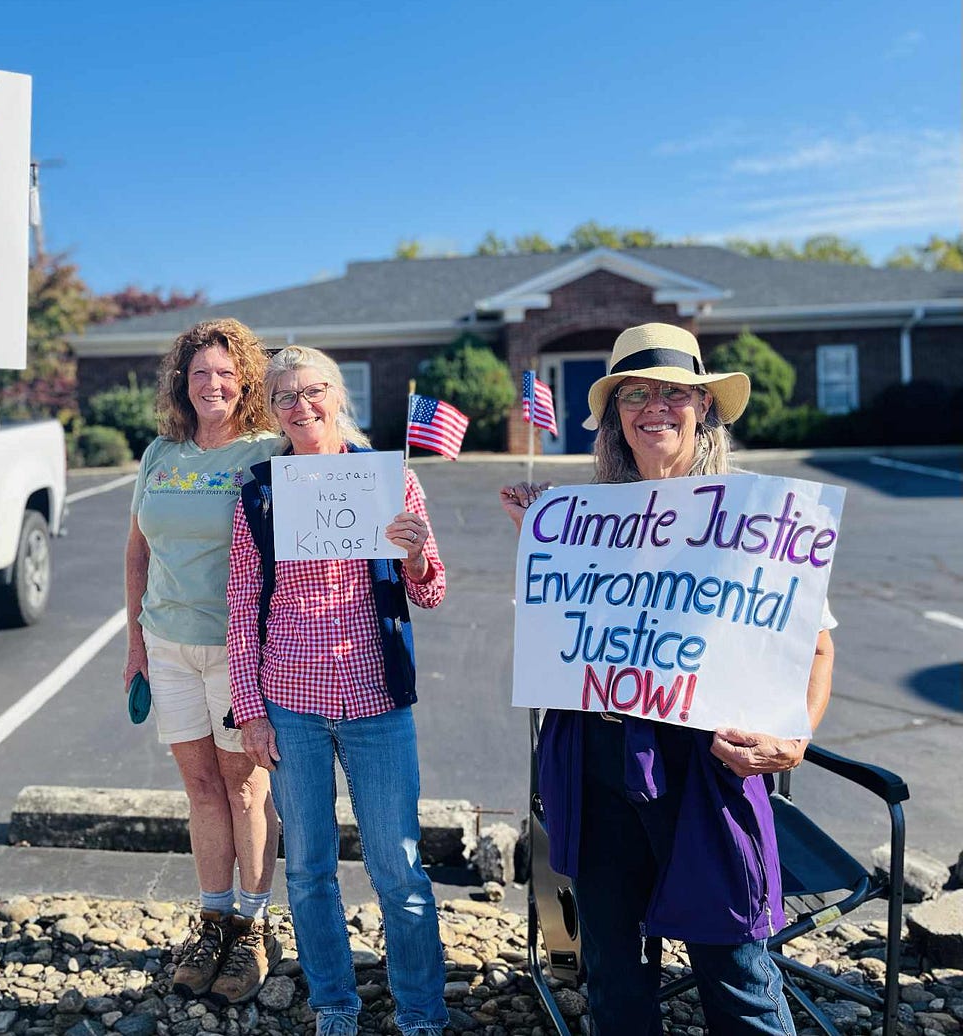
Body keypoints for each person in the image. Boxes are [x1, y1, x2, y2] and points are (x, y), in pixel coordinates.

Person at [500, 322, 836, 1036]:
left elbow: (817, 650)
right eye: (635, 395)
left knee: (736, 968)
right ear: (616, 415)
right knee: (615, 976)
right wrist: (542, 539)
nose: (654, 407)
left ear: (704, 407)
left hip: (705, 767)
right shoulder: (583, 515)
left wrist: (794, 740)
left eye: (673, 394)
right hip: (594, 760)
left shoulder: (755, 515)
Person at [228, 346, 449, 1036]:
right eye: (285, 396)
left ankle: (420, 1011)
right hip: (290, 699)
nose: (301, 406)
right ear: (271, 408)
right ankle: (334, 1004)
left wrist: (414, 556)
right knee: (311, 870)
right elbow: (240, 607)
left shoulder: (389, 479)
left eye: (313, 391)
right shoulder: (261, 491)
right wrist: (252, 712)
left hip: (375, 701)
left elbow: (433, 590)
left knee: (399, 867)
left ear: (337, 395)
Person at [125, 319, 286, 1004]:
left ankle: (252, 928)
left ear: (245, 378)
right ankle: (213, 920)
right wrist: (135, 643)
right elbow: (138, 551)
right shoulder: (161, 452)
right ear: (182, 384)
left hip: (238, 649)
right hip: (167, 645)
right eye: (199, 375)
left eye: (224, 373)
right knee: (200, 791)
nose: (212, 384)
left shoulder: (268, 450)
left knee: (245, 789)